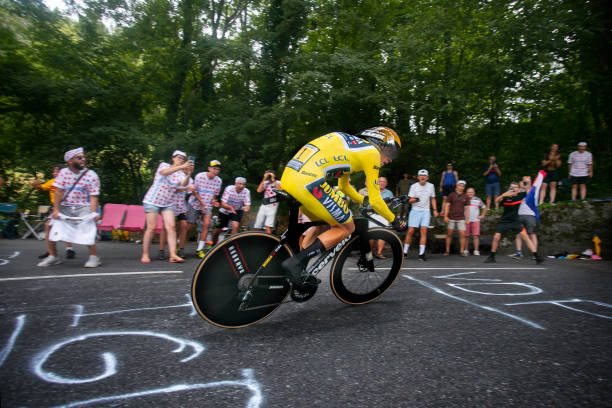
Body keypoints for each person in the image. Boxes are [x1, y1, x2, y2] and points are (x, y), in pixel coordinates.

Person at [279, 127, 407, 287]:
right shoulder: (371, 153)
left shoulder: (352, 147)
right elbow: (376, 200)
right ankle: (296, 262)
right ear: (380, 144)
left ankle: (299, 269)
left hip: (289, 178)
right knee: (347, 227)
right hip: (308, 181)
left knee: (323, 223)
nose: (390, 160)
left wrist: (362, 200)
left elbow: (344, 187)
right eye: (391, 153)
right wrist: (395, 221)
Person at [37, 148, 101, 267]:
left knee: (88, 226)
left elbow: (94, 196)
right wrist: (56, 210)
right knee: (49, 225)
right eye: (80, 157)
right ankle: (53, 256)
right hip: (65, 205)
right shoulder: (63, 173)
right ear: (70, 161)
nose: (83, 159)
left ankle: (94, 257)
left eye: (84, 157)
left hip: (83, 205)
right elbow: (58, 192)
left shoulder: (91, 175)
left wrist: (93, 213)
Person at [140, 150, 193, 263]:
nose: (181, 160)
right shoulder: (164, 165)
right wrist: (181, 167)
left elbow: (183, 184)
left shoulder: (180, 174)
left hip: (167, 202)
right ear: (173, 158)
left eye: (183, 159)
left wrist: (189, 173)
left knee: (172, 227)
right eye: (178, 157)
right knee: (151, 227)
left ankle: (173, 255)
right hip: (153, 200)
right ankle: (145, 254)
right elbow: (164, 172)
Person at [484, 181, 544, 264]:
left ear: (518, 189)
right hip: (504, 221)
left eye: (515, 187)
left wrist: (525, 186)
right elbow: (496, 201)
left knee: (525, 236)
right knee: (496, 237)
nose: (513, 189)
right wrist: (503, 195)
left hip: (515, 221)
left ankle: (537, 256)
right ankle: (492, 257)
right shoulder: (505, 196)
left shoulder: (520, 196)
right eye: (511, 187)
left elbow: (529, 193)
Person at [30, 165, 75, 259]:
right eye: (54, 172)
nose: (54, 173)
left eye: (57, 171)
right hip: (55, 207)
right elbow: (41, 187)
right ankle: (51, 251)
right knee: (49, 227)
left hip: (66, 207)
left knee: (65, 227)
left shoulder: (69, 181)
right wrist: (35, 185)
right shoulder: (52, 182)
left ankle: (69, 248)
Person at [158, 169, 195, 259]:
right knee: (165, 227)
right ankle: (161, 251)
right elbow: (172, 190)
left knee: (184, 225)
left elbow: (190, 192)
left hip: (181, 206)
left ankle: (180, 249)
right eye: (189, 166)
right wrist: (186, 188)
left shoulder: (190, 179)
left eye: (192, 167)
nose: (190, 168)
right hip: (170, 204)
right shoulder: (175, 176)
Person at [189, 160, 222, 258]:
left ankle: (199, 250)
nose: (216, 171)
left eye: (218, 169)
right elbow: (193, 191)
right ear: (209, 168)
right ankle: (179, 244)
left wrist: (214, 201)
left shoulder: (219, 181)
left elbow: (214, 196)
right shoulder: (200, 176)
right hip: (195, 202)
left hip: (207, 204)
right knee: (189, 225)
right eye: (214, 168)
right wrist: (201, 202)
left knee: (206, 225)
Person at [403, 169, 438, 261]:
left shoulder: (431, 186)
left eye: (424, 176)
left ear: (427, 177)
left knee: (423, 231)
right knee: (410, 231)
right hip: (415, 210)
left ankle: (421, 254)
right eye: (421, 175)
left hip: (426, 211)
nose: (422, 177)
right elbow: (409, 200)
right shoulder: (413, 186)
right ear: (418, 177)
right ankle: (404, 252)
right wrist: (416, 200)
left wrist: (435, 210)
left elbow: (433, 198)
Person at [211, 177, 251, 243]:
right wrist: (230, 208)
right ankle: (213, 244)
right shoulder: (229, 189)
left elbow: (247, 204)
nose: (241, 186)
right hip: (225, 210)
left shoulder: (246, 191)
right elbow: (223, 203)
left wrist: (247, 207)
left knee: (235, 226)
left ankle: (231, 244)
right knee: (217, 230)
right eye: (240, 184)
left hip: (237, 210)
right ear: (235, 184)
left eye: (243, 184)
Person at [509, 176, 538, 259]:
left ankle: (534, 253)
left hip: (530, 214)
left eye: (527, 181)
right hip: (520, 214)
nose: (525, 183)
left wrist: (526, 187)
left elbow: (529, 196)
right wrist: (519, 187)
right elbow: (513, 196)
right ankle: (519, 252)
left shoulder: (534, 189)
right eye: (524, 181)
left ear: (530, 181)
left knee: (532, 233)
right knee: (518, 234)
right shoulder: (520, 191)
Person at [369, 176, 395, 258]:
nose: (381, 183)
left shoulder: (389, 193)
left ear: (386, 184)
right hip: (372, 215)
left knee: (382, 234)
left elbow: (390, 205)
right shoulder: (373, 191)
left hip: (384, 215)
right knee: (370, 234)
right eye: (380, 181)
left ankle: (379, 253)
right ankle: (370, 252)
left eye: (383, 182)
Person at [443, 180, 470, 256]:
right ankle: (447, 251)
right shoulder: (451, 195)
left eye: (463, 186)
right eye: (460, 185)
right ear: (457, 186)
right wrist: (445, 216)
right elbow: (447, 205)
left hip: (461, 218)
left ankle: (462, 251)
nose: (461, 187)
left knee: (462, 234)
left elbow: (467, 208)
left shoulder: (466, 196)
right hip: (451, 217)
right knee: (449, 234)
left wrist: (467, 219)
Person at [253, 169, 281, 234]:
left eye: (269, 174)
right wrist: (264, 178)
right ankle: (256, 239)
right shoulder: (265, 183)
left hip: (273, 205)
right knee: (257, 225)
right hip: (264, 204)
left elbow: (280, 191)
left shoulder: (278, 182)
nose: (269, 176)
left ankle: (269, 241)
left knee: (268, 226)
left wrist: (273, 180)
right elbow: (258, 190)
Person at [465, 187, 486, 256]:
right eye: (469, 192)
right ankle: (466, 250)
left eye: (471, 192)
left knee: (476, 236)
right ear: (466, 193)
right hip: (466, 220)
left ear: (474, 193)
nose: (470, 193)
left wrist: (482, 215)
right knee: (466, 236)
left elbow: (484, 207)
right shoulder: (464, 199)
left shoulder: (478, 199)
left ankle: (476, 250)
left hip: (475, 220)